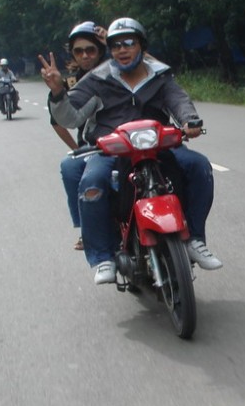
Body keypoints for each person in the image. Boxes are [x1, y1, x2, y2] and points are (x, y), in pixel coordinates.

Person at [39, 17, 221, 284]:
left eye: (128, 43)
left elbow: (178, 100)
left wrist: (189, 120)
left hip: (157, 145)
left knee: (199, 166)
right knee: (91, 183)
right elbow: (71, 117)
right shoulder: (97, 79)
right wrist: (57, 92)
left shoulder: (159, 75)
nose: (122, 50)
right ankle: (103, 256)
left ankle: (194, 239)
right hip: (112, 150)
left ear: (141, 46)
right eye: (115, 45)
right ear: (110, 51)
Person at [54, 21, 110, 250]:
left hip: (128, 136)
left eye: (91, 49)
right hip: (93, 144)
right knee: (70, 166)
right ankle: (86, 229)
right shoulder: (69, 82)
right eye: (79, 51)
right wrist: (77, 148)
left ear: (101, 49)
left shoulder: (119, 68)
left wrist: (115, 41)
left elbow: (151, 67)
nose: (85, 55)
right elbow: (58, 121)